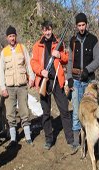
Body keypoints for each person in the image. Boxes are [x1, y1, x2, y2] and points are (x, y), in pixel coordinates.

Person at [30, 20, 75, 151]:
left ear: (52, 30)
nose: (47, 32)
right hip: (44, 81)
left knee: (65, 110)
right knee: (46, 113)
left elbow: (67, 59)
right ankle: (49, 139)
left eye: (49, 29)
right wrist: (41, 71)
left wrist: (59, 55)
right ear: (42, 31)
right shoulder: (37, 45)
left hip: (57, 81)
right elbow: (33, 62)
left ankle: (70, 139)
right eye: (45, 30)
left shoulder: (58, 43)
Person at [66, 12, 99, 147]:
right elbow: (69, 60)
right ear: (76, 26)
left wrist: (87, 70)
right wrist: (69, 77)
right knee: (76, 110)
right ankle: (77, 140)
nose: (81, 27)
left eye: (83, 24)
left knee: (93, 110)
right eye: (79, 25)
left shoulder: (93, 39)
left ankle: (96, 141)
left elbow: (98, 59)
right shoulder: (72, 41)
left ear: (87, 24)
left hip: (89, 82)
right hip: (75, 80)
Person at [0, 26, 35, 146]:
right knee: (10, 112)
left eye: (13, 36)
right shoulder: (4, 52)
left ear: (16, 36)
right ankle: (13, 138)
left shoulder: (22, 48)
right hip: (9, 87)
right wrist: (3, 87)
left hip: (22, 85)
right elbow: (1, 71)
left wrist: (32, 78)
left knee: (24, 110)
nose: (12, 38)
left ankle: (28, 136)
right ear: (7, 38)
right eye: (10, 36)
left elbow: (28, 64)